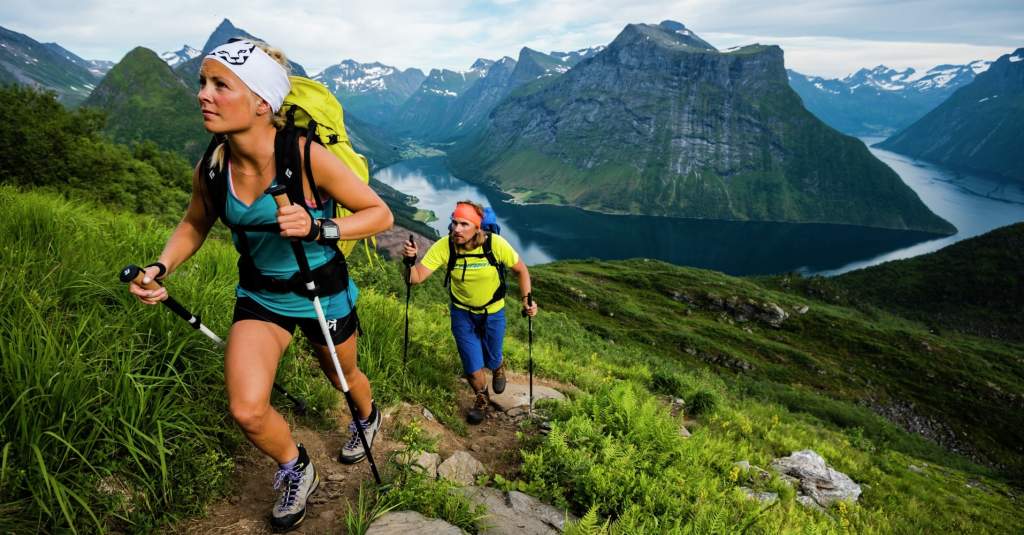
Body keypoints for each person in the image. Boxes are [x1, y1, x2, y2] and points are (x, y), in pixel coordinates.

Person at [127, 39, 393, 532]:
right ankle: (298, 467)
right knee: (247, 409)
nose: (203, 95)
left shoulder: (306, 156)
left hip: (321, 292)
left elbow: (379, 214)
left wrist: (320, 228)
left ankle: (368, 416)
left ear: (262, 103)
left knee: (341, 377)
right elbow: (194, 223)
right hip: (261, 295)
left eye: (219, 85)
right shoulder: (213, 164)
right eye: (203, 84)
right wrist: (160, 268)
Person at [403, 201, 538, 424]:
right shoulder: (445, 246)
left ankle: (498, 365)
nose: (457, 229)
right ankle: (481, 398)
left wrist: (527, 301)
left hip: (493, 312)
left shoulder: (495, 244)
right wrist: (409, 261)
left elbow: (521, 270)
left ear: (477, 227)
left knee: (492, 357)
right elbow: (414, 278)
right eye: (454, 223)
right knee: (472, 366)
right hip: (462, 314)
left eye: (464, 224)